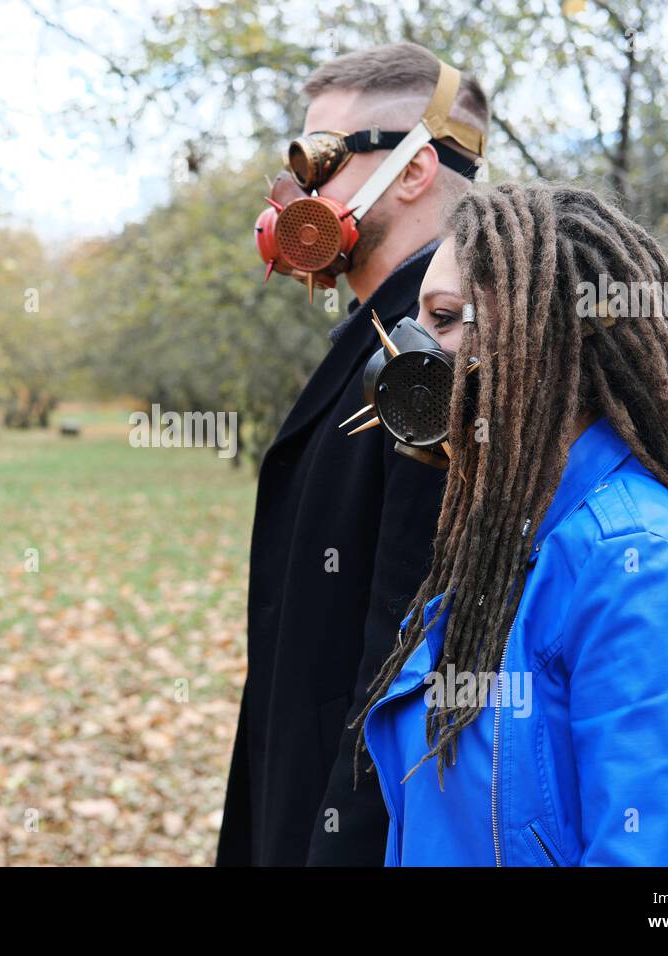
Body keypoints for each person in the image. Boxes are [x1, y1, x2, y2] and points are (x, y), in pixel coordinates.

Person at [357, 182, 668, 865]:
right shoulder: (508, 540)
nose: (407, 353)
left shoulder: (642, 563)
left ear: (548, 337)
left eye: (444, 319)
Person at [217, 42, 491, 866]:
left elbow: (403, 665)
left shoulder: (439, 361)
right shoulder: (379, 334)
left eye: (320, 161)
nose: (296, 195)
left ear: (412, 170)